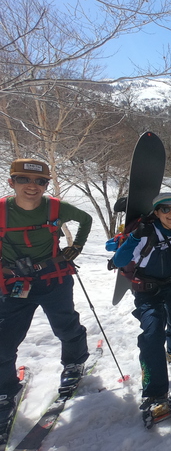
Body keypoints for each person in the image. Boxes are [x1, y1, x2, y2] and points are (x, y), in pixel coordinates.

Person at [0, 159, 92, 431]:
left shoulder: (55, 207)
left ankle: (74, 363)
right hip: (15, 282)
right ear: (11, 182)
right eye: (24, 180)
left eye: (40, 182)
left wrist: (76, 247)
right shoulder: (2, 211)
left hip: (53, 277)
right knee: (3, 339)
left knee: (65, 325)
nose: (32, 186)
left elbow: (85, 219)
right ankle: (5, 389)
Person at [112, 192, 171, 421]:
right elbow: (119, 262)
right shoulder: (145, 234)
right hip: (148, 292)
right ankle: (155, 393)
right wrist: (133, 238)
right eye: (165, 209)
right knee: (152, 335)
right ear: (157, 212)